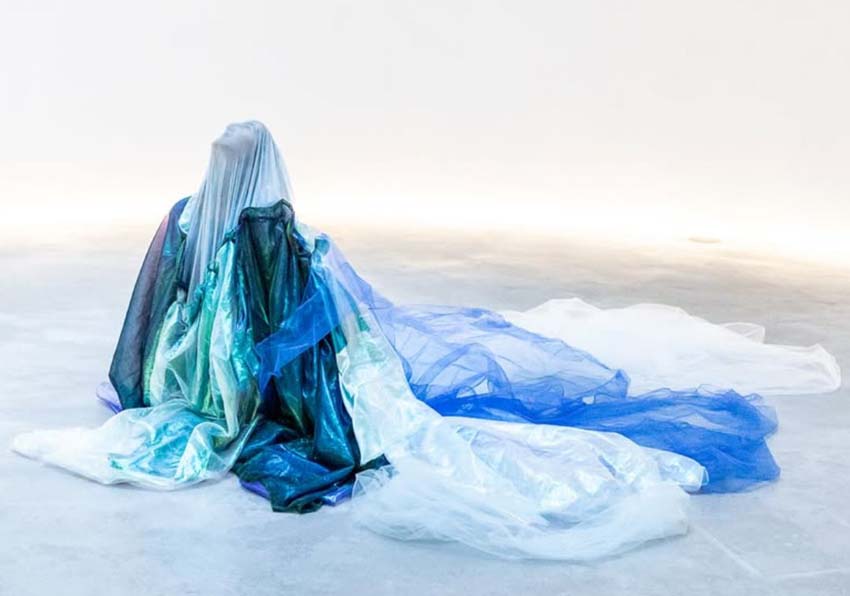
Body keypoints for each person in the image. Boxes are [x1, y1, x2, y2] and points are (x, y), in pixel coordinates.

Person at [14, 121, 841, 560]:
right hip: (256, 391)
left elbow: (149, 317)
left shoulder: (186, 216)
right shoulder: (270, 231)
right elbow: (297, 335)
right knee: (416, 415)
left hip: (190, 386)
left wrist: (175, 388)